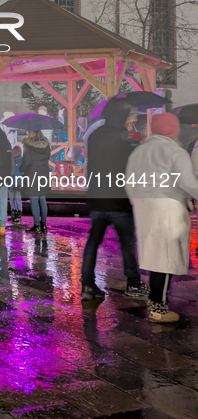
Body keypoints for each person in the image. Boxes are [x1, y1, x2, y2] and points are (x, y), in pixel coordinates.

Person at [125, 112, 198, 322]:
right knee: (165, 260)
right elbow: (189, 183)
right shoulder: (174, 151)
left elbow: (129, 183)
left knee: (156, 258)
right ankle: (159, 309)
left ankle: (157, 304)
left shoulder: (140, 152)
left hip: (145, 210)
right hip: (168, 209)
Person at [81, 98, 148, 301]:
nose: (134, 117)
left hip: (98, 197)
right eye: (131, 115)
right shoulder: (125, 138)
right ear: (122, 116)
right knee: (127, 242)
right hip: (119, 198)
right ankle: (134, 283)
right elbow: (134, 165)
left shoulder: (95, 136)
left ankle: (87, 285)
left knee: (93, 241)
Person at [20, 130, 52, 232]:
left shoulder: (28, 145)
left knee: (34, 200)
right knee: (42, 199)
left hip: (32, 174)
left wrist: (21, 168)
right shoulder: (46, 145)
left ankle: (37, 225)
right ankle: (43, 225)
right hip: (44, 174)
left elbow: (27, 161)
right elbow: (48, 157)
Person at [9, 145, 23, 223]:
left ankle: (19, 213)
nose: (15, 153)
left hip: (18, 181)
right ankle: (13, 212)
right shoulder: (10, 160)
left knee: (18, 198)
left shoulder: (21, 160)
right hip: (11, 181)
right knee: (11, 198)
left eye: (17, 151)